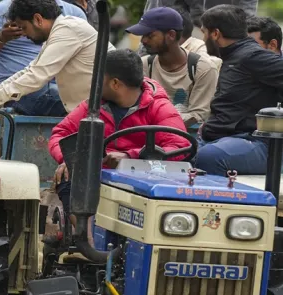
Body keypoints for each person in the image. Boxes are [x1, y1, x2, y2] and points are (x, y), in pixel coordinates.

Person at [49, 49, 190, 218]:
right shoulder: (93, 105)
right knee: (66, 181)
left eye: (98, 77)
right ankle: (85, 239)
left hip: (143, 178)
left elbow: (180, 147)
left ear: (115, 84)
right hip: (97, 175)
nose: (93, 83)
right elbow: (60, 133)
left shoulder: (159, 107)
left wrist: (130, 156)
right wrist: (72, 159)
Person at [193, 5, 283, 176]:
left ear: (216, 33)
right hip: (223, 139)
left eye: (204, 33)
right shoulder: (232, 57)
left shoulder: (251, 56)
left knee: (208, 157)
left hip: (257, 144)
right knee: (177, 153)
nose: (203, 40)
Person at [0, 0, 115, 121]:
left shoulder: (68, 29)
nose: (23, 34)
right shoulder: (57, 32)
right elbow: (29, 70)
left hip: (105, 109)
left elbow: (37, 75)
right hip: (89, 108)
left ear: (38, 19)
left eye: (24, 28)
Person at [128, 7, 219, 126]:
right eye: (142, 36)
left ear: (171, 35)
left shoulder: (202, 68)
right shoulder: (144, 65)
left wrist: (157, 118)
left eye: (149, 35)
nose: (143, 41)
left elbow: (198, 116)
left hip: (188, 138)